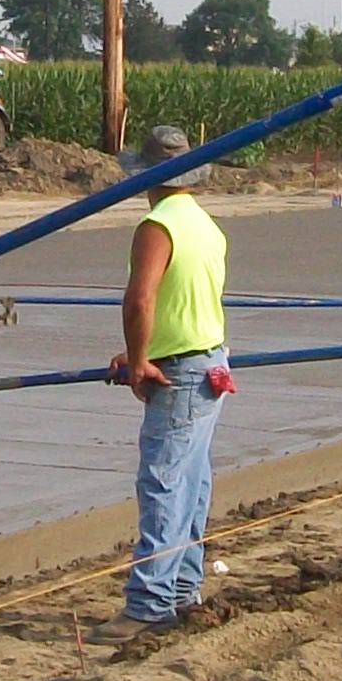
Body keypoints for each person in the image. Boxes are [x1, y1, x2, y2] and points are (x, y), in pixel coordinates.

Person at [102, 125, 229, 641]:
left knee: (163, 482)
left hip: (180, 373)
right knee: (192, 483)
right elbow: (188, 303)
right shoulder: (205, 225)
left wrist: (139, 363)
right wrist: (139, 351)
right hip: (210, 362)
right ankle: (182, 588)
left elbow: (142, 300)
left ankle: (150, 603)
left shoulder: (157, 226)